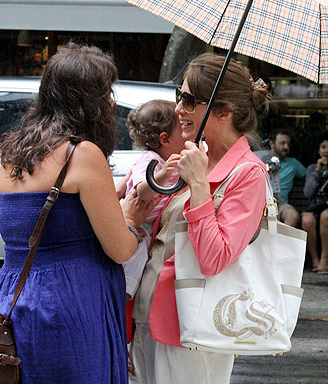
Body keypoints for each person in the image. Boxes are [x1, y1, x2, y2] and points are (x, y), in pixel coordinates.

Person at [0, 43, 156, 384]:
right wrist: (132, 219)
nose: (111, 101)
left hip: (12, 296)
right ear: (87, 100)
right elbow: (120, 248)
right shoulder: (82, 153)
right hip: (69, 302)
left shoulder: (13, 151)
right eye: (106, 92)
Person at [130, 53, 269, 384]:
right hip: (149, 315)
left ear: (224, 111)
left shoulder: (248, 173)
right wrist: (157, 182)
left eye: (189, 100)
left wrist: (198, 186)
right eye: (180, 96)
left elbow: (214, 258)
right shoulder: (198, 157)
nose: (178, 108)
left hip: (193, 327)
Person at [122, 99, 185, 301]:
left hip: (150, 227)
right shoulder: (151, 160)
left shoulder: (169, 161)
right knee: (133, 264)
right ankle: (121, 299)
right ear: (165, 139)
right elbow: (142, 191)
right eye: (183, 130)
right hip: (140, 227)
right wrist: (162, 176)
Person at [302, 132, 328, 273]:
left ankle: (324, 259)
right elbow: (307, 192)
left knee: (326, 216)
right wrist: (318, 170)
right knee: (306, 220)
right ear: (318, 150)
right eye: (323, 147)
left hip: (327, 209)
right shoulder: (312, 168)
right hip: (315, 205)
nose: (326, 150)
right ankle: (315, 260)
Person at [269, 129, 306, 227]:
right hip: (259, 203)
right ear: (272, 143)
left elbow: (310, 176)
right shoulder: (262, 159)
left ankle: (281, 242)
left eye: (288, 144)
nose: (286, 147)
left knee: (292, 215)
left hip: (280, 203)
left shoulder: (293, 163)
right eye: (282, 143)